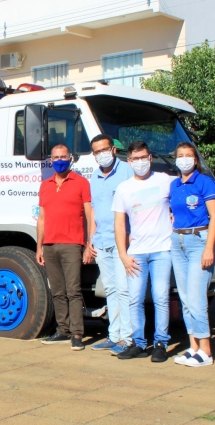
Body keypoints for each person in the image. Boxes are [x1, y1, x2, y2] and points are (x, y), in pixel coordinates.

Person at [113, 141, 175, 362]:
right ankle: (138, 343)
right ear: (129, 161)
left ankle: (160, 343)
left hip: (162, 250)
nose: (140, 162)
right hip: (136, 252)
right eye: (136, 159)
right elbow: (119, 224)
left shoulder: (165, 180)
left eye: (144, 158)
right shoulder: (124, 188)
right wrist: (123, 254)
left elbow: (182, 200)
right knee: (135, 299)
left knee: (161, 298)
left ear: (150, 158)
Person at [36, 144, 96, 351]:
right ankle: (63, 330)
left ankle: (77, 334)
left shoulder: (81, 183)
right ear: (50, 160)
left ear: (70, 158)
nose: (60, 160)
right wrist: (39, 247)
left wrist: (89, 244)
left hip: (72, 244)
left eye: (63, 157)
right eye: (56, 157)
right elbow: (41, 219)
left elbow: (89, 215)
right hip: (49, 245)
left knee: (74, 291)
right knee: (58, 291)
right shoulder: (45, 185)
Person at [168, 142, 215, 367]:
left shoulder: (205, 182)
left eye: (188, 155)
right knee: (186, 299)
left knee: (197, 299)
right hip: (177, 241)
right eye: (180, 155)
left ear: (195, 159)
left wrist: (209, 247)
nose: (184, 159)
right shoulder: (174, 184)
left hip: (199, 240)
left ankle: (206, 351)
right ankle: (193, 347)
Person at [87, 135, 134, 355]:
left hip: (122, 241)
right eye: (97, 152)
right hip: (101, 241)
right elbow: (94, 210)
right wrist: (91, 240)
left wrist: (130, 238)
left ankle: (127, 338)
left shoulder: (127, 172)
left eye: (104, 150)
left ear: (113, 150)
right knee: (111, 290)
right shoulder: (94, 176)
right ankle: (114, 335)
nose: (101, 155)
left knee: (124, 290)